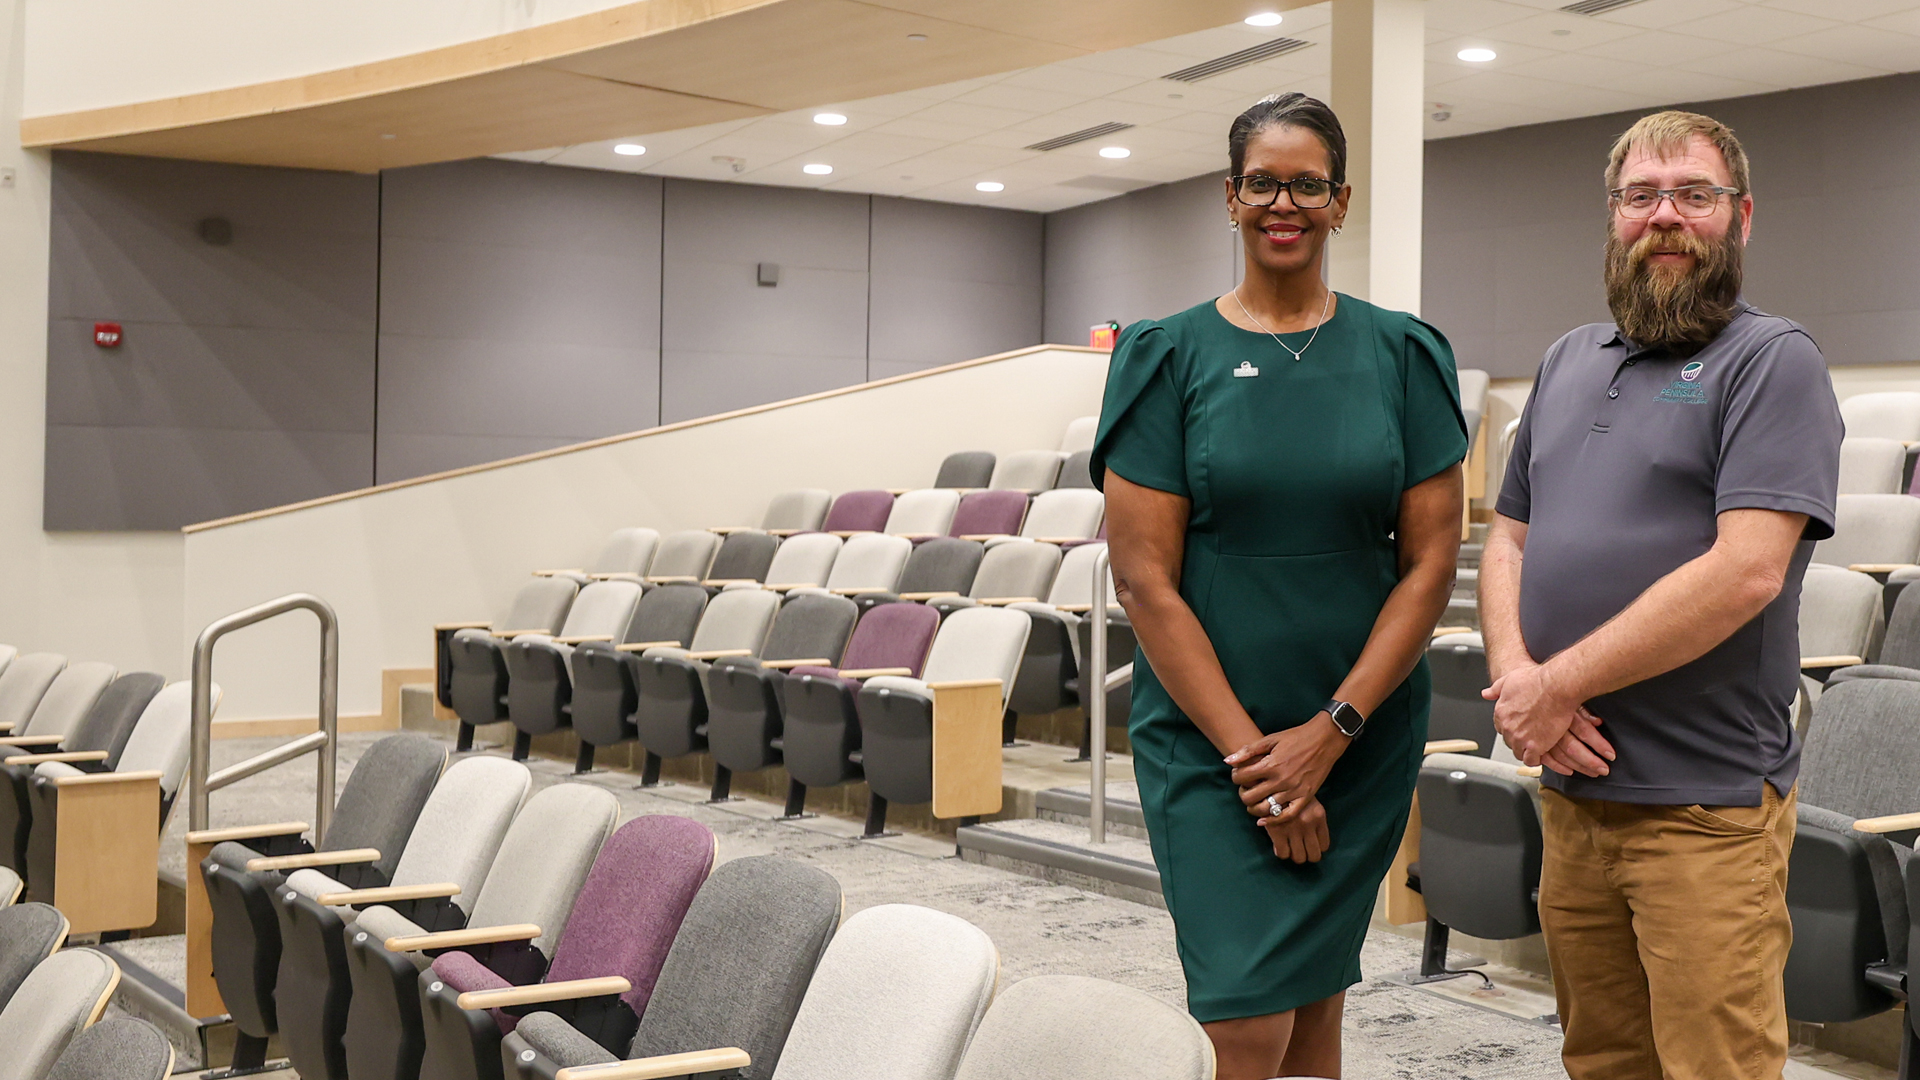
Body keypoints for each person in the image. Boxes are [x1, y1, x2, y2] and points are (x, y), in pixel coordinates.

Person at [1090, 92, 1467, 1080]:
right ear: (1231, 197)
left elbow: (1431, 563)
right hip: (1210, 740)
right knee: (1247, 1020)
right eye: (1263, 183)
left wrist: (1330, 734)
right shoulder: (1166, 355)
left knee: (1313, 1005)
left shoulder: (1404, 354)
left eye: (1307, 185)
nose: (1283, 204)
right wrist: (1261, 767)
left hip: (1359, 731)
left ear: (1340, 201)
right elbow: (1142, 580)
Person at [1479, 110, 1843, 1080]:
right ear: (1614, 215)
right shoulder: (1567, 360)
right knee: (1601, 1059)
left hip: (1703, 807)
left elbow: (1747, 570)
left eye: (1694, 195)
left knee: (1715, 1066)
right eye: (1641, 195)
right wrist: (1520, 684)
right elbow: (1507, 537)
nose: (1665, 216)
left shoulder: (1773, 360)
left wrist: (1556, 686)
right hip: (1574, 796)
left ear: (1741, 216)